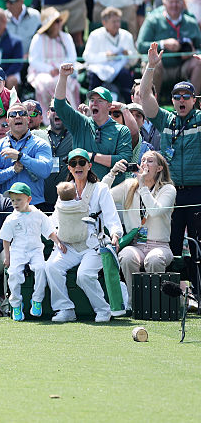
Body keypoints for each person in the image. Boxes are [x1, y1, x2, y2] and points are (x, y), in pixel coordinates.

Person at [45, 150, 123, 322]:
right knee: (51, 267)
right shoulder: (64, 189)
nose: (78, 166)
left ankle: (103, 310)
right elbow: (55, 219)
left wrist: (115, 234)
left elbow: (111, 216)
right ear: (69, 168)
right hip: (68, 245)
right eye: (73, 163)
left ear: (89, 166)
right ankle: (65, 309)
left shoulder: (101, 189)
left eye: (82, 162)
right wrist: (54, 237)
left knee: (84, 275)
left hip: (93, 245)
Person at [139, 43, 201, 255]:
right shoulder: (166, 120)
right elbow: (144, 96)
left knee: (198, 250)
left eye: (186, 96)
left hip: (197, 192)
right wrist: (150, 67)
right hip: (169, 193)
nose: (181, 100)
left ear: (194, 100)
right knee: (170, 248)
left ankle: (195, 279)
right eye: (177, 96)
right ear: (172, 100)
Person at [103, 151, 176, 295]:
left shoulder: (168, 189)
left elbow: (155, 211)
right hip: (137, 244)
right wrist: (112, 173)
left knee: (154, 260)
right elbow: (102, 196)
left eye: (150, 161)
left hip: (160, 245)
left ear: (159, 168)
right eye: (142, 160)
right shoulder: (129, 185)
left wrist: (142, 186)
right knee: (126, 257)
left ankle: (155, 301)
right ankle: (134, 300)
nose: (144, 164)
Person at [54, 63, 133, 183]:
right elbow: (59, 105)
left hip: (110, 190)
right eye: (91, 100)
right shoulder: (80, 123)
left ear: (109, 106)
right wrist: (63, 77)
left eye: (99, 100)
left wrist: (92, 156)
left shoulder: (121, 130)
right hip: (82, 189)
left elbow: (124, 159)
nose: (94, 103)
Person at [0, 182, 65, 322]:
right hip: (17, 251)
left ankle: (37, 300)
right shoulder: (11, 219)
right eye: (13, 200)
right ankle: (16, 304)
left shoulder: (38, 215)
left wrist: (58, 242)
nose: (15, 203)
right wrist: (7, 257)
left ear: (29, 199)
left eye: (19, 200)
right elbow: (6, 239)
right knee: (14, 274)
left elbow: (49, 231)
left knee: (41, 269)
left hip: (36, 250)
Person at [0, 102, 53, 206]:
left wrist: (20, 157)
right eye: (13, 114)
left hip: (34, 205)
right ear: (8, 121)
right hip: (7, 206)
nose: (17, 116)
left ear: (28, 119)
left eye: (22, 113)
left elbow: (45, 170)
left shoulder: (40, 144)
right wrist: (12, 170)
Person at [135, 0, 201, 93]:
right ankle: (152, 101)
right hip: (160, 67)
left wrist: (193, 52)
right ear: (164, 3)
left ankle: (193, 100)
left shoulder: (191, 22)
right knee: (154, 64)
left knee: (199, 62)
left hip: (182, 66)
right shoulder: (153, 20)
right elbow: (140, 46)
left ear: (183, 4)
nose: (174, 5)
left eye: (177, 2)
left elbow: (199, 47)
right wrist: (163, 44)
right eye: (171, 2)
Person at [83, 6, 137, 101]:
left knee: (125, 75)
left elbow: (135, 59)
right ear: (104, 22)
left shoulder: (126, 35)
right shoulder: (95, 35)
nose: (117, 24)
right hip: (99, 70)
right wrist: (106, 56)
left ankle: (130, 105)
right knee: (94, 77)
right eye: (114, 22)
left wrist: (128, 54)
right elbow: (86, 56)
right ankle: (92, 105)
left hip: (120, 70)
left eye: (118, 21)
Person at [28, 7, 79, 110]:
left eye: (60, 21)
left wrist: (61, 69)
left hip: (64, 71)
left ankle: (70, 112)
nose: (60, 24)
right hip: (42, 72)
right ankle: (47, 114)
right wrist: (49, 69)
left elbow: (72, 57)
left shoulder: (66, 37)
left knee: (64, 82)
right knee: (47, 83)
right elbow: (33, 60)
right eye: (56, 21)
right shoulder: (38, 38)